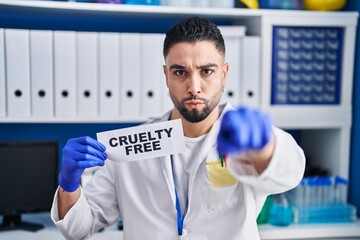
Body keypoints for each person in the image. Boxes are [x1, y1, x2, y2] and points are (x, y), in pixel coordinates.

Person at [51, 17, 305, 240]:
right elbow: (77, 229)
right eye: (180, 72)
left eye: (207, 71)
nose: (194, 87)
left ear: (224, 74)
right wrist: (69, 184)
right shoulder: (129, 147)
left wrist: (264, 147)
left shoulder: (244, 140)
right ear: (166, 75)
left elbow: (289, 173)